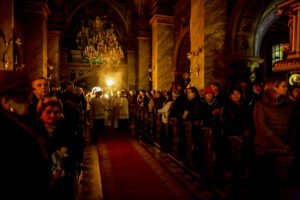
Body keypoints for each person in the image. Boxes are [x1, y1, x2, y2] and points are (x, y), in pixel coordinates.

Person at [0, 70, 50, 200]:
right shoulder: (12, 134)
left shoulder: (18, 124)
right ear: (6, 102)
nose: (29, 101)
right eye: (24, 97)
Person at [250, 76, 298, 200]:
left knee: (283, 185)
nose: (286, 88)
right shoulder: (260, 105)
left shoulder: (288, 105)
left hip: (284, 149)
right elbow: (262, 127)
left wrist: (289, 142)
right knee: (267, 185)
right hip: (265, 149)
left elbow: (294, 125)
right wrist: (279, 143)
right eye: (283, 85)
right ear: (274, 88)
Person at [35, 96, 84, 200]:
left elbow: (77, 152)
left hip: (65, 179)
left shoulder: (69, 129)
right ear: (41, 113)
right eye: (48, 112)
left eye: (56, 112)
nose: (52, 116)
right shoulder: (34, 131)